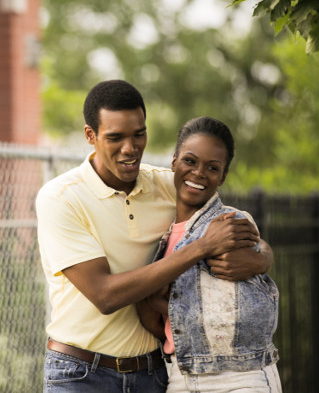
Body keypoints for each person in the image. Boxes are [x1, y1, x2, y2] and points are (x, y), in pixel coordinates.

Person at [36, 79, 272, 393]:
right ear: (90, 136)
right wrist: (201, 248)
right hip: (81, 375)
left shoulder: (167, 185)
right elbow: (105, 295)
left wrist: (263, 256)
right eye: (115, 137)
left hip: (153, 374)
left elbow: (230, 227)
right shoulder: (61, 198)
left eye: (139, 134)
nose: (130, 148)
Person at [136, 117, 281, 392]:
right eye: (190, 161)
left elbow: (245, 315)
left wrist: (262, 256)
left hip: (239, 376)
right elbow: (167, 322)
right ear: (174, 161)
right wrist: (158, 304)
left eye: (212, 168)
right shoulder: (162, 235)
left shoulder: (230, 225)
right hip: (181, 377)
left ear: (223, 176)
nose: (199, 173)